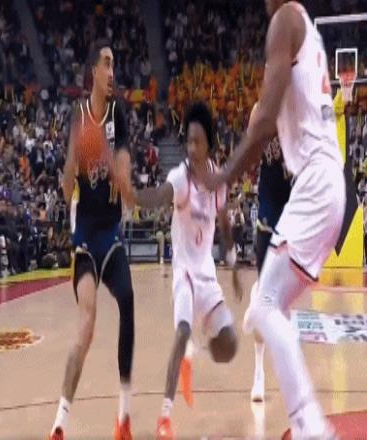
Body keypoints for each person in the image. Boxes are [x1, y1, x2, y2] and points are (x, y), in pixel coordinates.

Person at [200, 1, 345, 437]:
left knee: (264, 306)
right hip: (323, 184)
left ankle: (310, 426)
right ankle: (303, 423)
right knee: (270, 304)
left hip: (315, 184)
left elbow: (263, 121)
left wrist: (223, 175)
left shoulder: (284, 20)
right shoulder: (308, 27)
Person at [133, 102, 241, 439]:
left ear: (208, 143)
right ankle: (165, 416)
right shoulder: (180, 177)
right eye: (189, 142)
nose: (192, 148)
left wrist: (233, 264)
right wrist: (133, 194)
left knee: (230, 345)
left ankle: (196, 350)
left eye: (198, 142)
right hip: (184, 273)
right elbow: (159, 196)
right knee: (181, 330)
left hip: (207, 274)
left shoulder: (217, 180)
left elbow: (224, 225)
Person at [49, 40, 135, 440]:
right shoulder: (78, 115)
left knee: (128, 300)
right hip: (85, 235)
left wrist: (117, 170)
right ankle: (60, 422)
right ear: (93, 73)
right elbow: (68, 186)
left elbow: (124, 169)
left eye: (114, 64)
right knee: (87, 324)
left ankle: (123, 415)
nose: (112, 71)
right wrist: (72, 166)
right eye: (107, 63)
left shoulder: (120, 114)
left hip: (111, 234)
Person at [246, 103, 292, 402]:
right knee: (265, 291)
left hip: (294, 200)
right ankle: (259, 372)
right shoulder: (262, 109)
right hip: (269, 202)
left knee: (283, 296)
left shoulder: (301, 108)